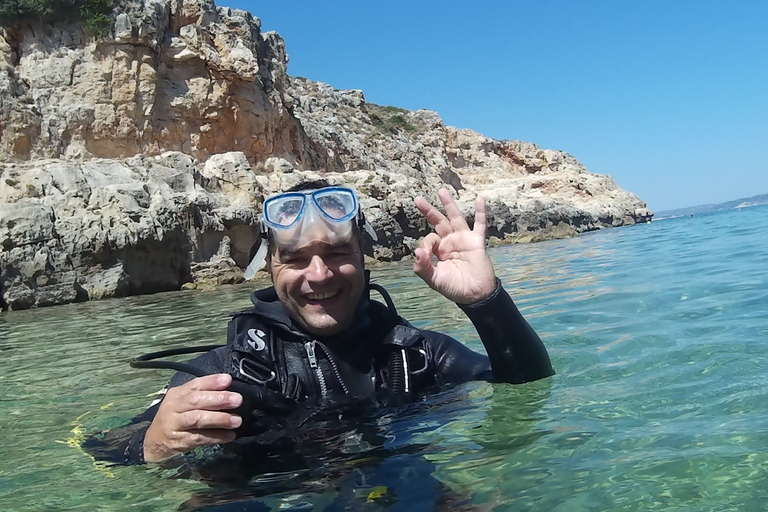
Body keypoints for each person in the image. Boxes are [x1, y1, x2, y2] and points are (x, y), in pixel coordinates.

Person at [87, 180, 553, 469]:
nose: (319, 274)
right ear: (269, 268)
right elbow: (101, 448)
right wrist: (150, 445)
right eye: (295, 259)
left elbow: (528, 386)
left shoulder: (415, 356)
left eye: (335, 254)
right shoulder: (224, 375)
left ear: (364, 258)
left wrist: (486, 301)